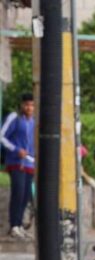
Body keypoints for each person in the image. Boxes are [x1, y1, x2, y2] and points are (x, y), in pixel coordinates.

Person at [3, 94, 36, 239]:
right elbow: (1, 136)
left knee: (26, 195)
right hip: (16, 162)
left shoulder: (34, 121)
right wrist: (16, 150)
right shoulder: (14, 118)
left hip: (29, 163)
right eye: (27, 105)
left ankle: (20, 225)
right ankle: (13, 225)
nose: (29, 108)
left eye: (32, 105)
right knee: (18, 192)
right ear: (22, 105)